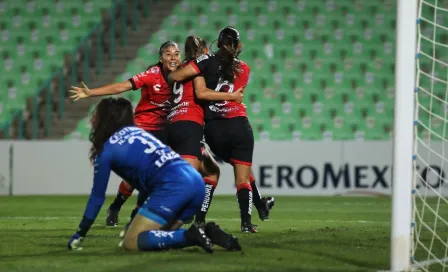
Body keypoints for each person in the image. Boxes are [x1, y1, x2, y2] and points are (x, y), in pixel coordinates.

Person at [67, 97, 241, 252]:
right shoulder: (139, 133)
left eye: (95, 115)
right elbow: (149, 178)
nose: (92, 118)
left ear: (104, 120)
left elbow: (97, 197)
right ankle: (208, 233)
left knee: (132, 241)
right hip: (195, 182)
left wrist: (80, 233)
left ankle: (191, 235)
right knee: (158, 236)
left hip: (174, 187)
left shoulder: (106, 151)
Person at [168, 27, 274, 233]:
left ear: (217, 43)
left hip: (214, 129)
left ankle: (259, 204)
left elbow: (178, 78)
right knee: (242, 175)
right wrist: (232, 97)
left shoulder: (204, 62)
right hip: (239, 125)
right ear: (239, 46)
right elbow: (234, 88)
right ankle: (246, 223)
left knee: (220, 168)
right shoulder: (245, 68)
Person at [69, 41, 181, 228]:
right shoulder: (152, 75)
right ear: (161, 58)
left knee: (167, 170)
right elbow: (122, 87)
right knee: (136, 177)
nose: (173, 58)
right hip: (144, 127)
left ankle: (148, 214)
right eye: (168, 54)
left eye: (177, 54)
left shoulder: (183, 75)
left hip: (167, 129)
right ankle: (115, 207)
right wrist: (91, 93)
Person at [167, 35, 243, 225]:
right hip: (189, 123)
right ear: (203, 51)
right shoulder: (197, 67)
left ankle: (198, 219)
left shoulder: (181, 68)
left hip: (173, 123)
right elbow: (201, 92)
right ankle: (169, 221)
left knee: (211, 172)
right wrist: (231, 97)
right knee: (187, 178)